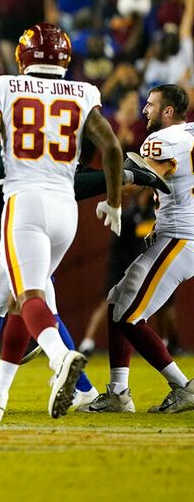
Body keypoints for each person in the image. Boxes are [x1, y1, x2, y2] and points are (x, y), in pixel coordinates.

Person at [0, 22, 123, 423]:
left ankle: (60, 357)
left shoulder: (3, 85)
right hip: (66, 208)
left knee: (29, 296)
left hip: (25, 202)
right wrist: (115, 204)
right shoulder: (84, 91)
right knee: (19, 298)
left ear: (23, 56)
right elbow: (112, 147)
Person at [82, 84, 194, 414]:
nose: (145, 110)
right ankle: (118, 392)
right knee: (119, 300)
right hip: (174, 234)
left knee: (130, 315)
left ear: (168, 111)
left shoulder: (164, 140)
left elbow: (146, 176)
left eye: (151, 104)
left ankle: (183, 387)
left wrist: (103, 187)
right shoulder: (187, 133)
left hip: (179, 238)